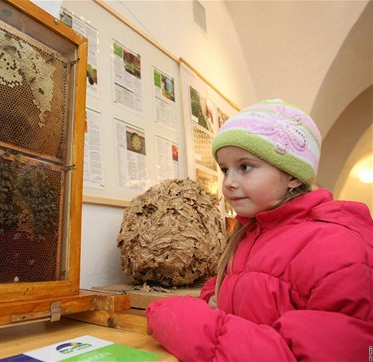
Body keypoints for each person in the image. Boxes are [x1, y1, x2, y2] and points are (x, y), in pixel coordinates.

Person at [146, 99, 373, 361]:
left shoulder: (338, 250)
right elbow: (231, 291)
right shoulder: (249, 235)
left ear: (293, 175)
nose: (229, 182)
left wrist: (178, 319)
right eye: (225, 169)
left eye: (245, 167)